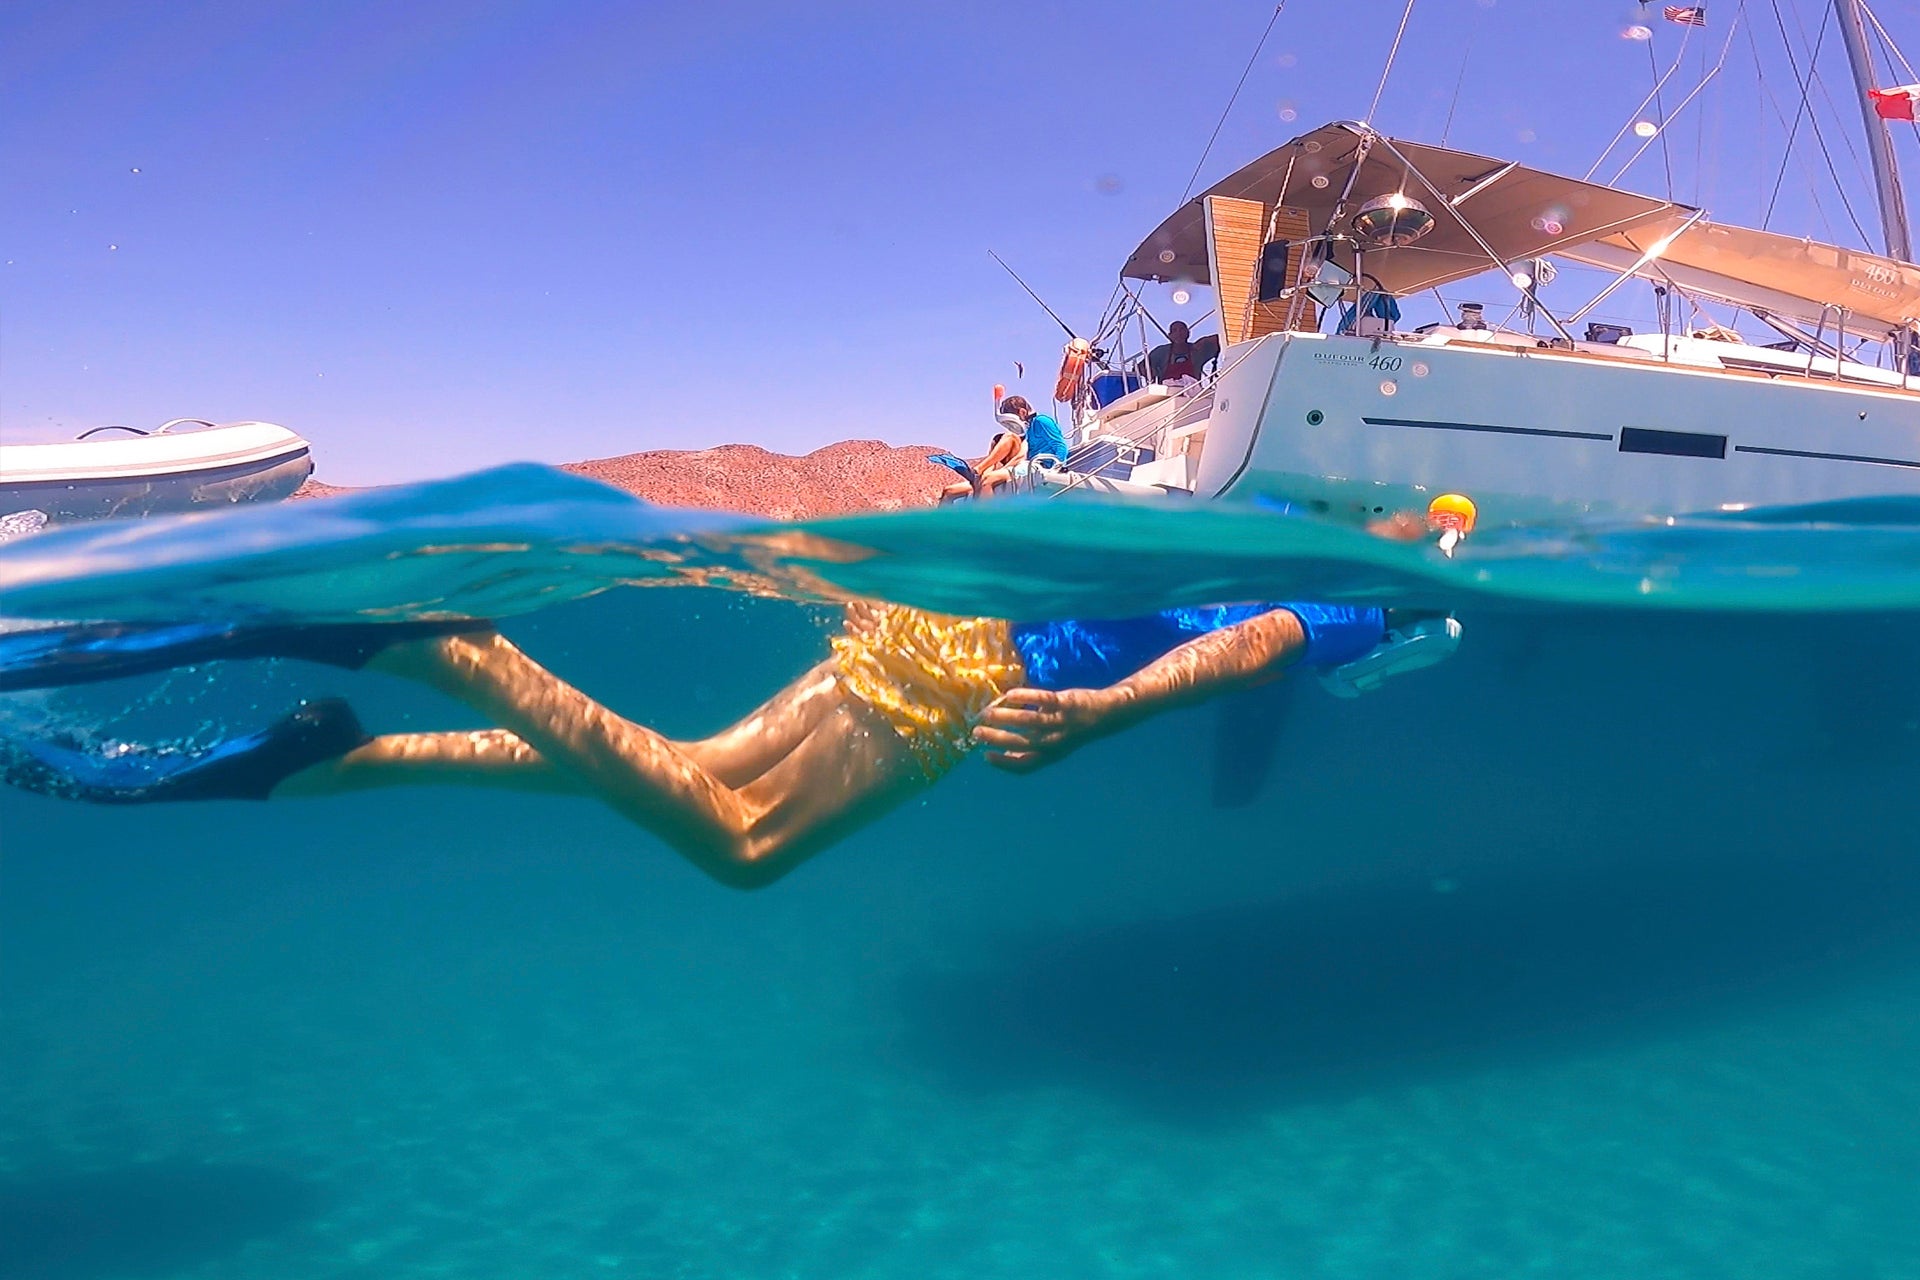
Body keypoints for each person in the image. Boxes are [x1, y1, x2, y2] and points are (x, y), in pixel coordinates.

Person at [0, 545, 1460, 889]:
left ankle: (338, 761)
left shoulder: (1278, 508)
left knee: (675, 770)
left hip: (928, 624)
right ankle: (444, 651)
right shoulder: (1360, 588)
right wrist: (1091, 718)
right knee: (745, 843)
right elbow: (1267, 638)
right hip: (980, 666)